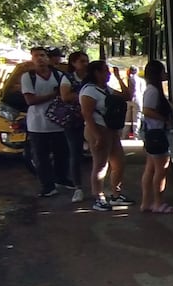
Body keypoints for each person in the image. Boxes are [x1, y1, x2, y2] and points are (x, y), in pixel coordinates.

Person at [79, 61, 135, 211]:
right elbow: (87, 114)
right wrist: (97, 136)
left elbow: (127, 96)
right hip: (97, 130)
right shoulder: (89, 91)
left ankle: (116, 194)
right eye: (106, 71)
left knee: (119, 162)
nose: (108, 74)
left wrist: (119, 78)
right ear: (96, 73)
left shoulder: (105, 89)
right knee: (100, 165)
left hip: (110, 130)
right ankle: (98, 197)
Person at [21, 46, 75, 198]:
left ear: (48, 58)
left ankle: (62, 179)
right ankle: (47, 186)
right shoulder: (28, 77)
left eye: (42, 55)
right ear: (32, 59)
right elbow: (30, 100)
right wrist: (54, 95)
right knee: (41, 157)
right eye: (36, 56)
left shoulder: (59, 75)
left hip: (58, 122)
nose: (39, 58)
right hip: (37, 124)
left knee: (63, 154)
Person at [138, 60, 173, 213]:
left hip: (152, 135)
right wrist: (165, 119)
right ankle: (158, 203)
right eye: (163, 71)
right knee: (161, 170)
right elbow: (147, 110)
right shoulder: (153, 91)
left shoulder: (151, 90)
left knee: (151, 169)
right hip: (157, 134)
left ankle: (146, 203)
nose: (165, 74)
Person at [59, 51, 90, 203]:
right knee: (75, 153)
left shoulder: (91, 77)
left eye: (86, 61)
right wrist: (86, 95)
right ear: (74, 63)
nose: (85, 64)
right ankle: (78, 187)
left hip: (92, 118)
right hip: (74, 120)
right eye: (82, 61)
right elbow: (65, 97)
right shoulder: (68, 78)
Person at [125, 65, 144, 139]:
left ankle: (125, 135)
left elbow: (131, 89)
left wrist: (130, 97)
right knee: (137, 118)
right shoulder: (141, 80)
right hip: (139, 99)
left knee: (128, 118)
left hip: (131, 99)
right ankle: (136, 136)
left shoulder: (130, 78)